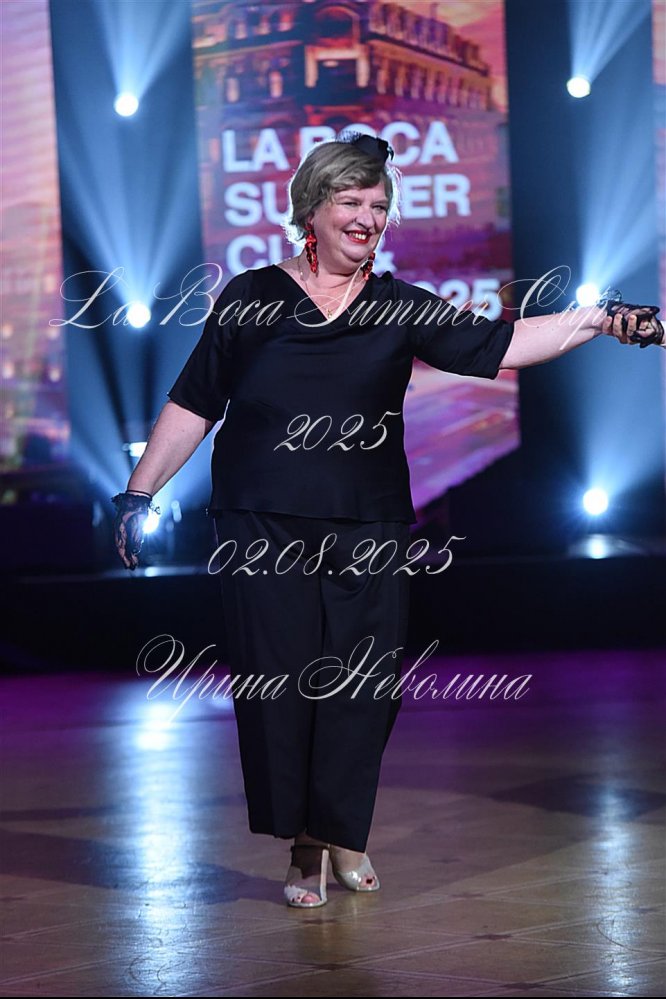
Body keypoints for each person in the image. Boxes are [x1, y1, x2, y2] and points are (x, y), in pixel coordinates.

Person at [112, 130, 663, 908]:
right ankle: (306, 843)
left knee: (363, 687)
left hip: (367, 524)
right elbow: (195, 401)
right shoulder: (250, 297)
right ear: (312, 208)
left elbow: (502, 342)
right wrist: (138, 493)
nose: (367, 218)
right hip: (260, 524)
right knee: (278, 686)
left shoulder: (398, 304)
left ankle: (340, 827)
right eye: (352, 201)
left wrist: (599, 318)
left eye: (378, 206)